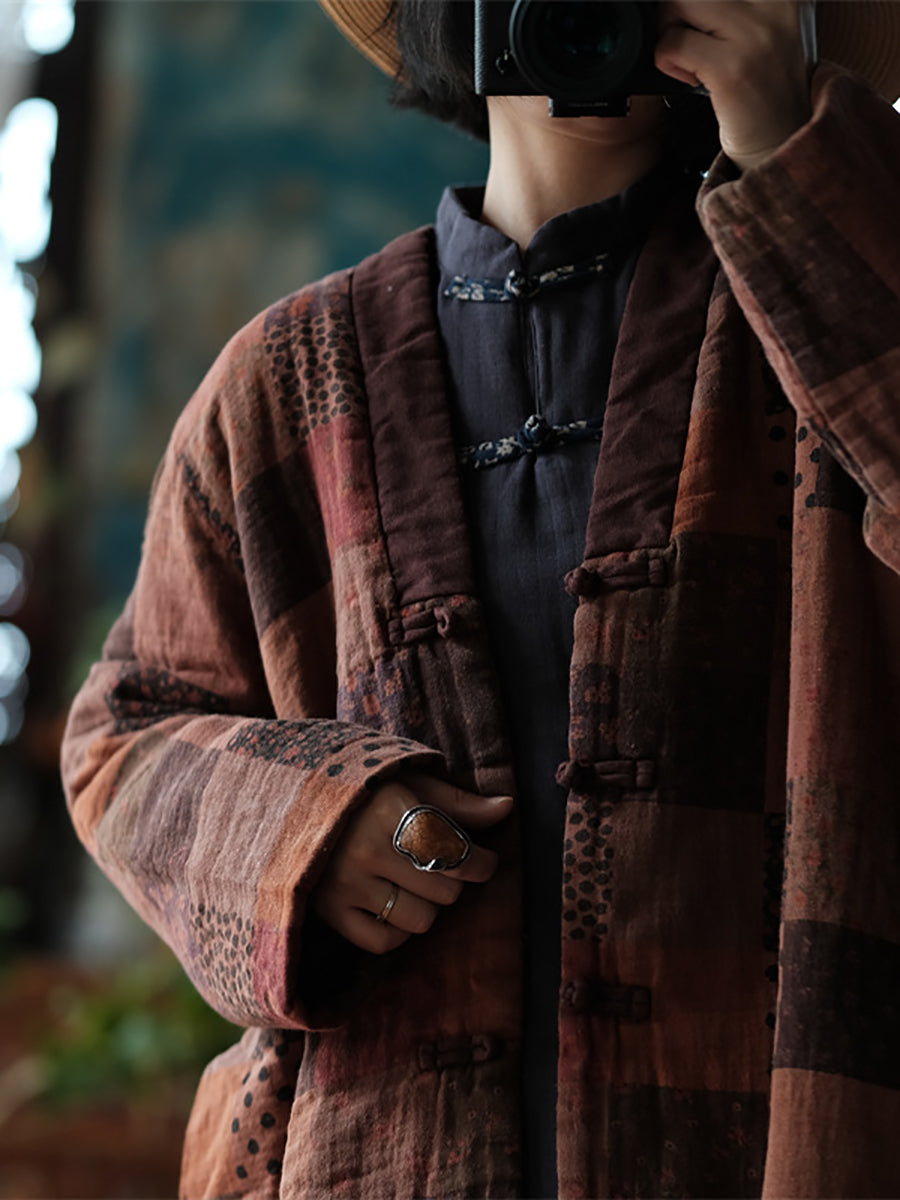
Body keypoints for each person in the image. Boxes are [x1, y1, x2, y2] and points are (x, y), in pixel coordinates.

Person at [60, 1, 900, 1196]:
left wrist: (792, 156)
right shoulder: (280, 383)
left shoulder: (834, 305)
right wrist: (305, 831)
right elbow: (122, 732)